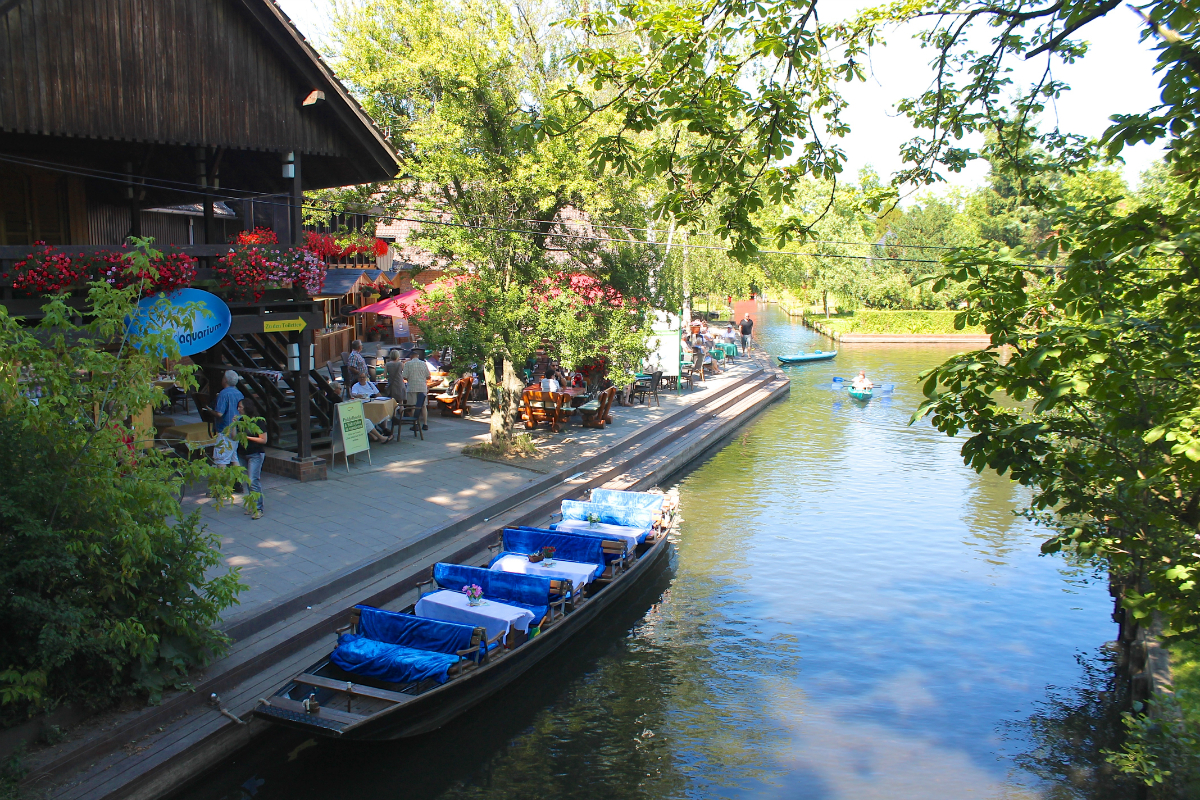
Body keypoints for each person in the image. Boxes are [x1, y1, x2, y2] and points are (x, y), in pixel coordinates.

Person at [238, 398, 268, 520]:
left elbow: (263, 440)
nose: (238, 409)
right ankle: (252, 505)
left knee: (253, 480)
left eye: (240, 406)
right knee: (248, 481)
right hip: (242, 453)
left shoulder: (258, 422)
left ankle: (259, 508)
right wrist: (234, 426)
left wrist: (248, 437)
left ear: (246, 408)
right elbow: (235, 437)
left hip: (255, 453)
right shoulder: (240, 421)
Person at [213, 370, 243, 470]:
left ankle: (222, 483)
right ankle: (237, 481)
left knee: (221, 459)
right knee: (234, 457)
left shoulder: (223, 393)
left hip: (224, 430)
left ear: (225, 380)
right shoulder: (239, 393)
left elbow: (219, 413)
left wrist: (209, 410)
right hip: (237, 428)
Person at [402, 348, 432, 431]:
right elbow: (428, 376)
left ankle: (415, 424)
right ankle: (425, 424)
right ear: (418, 356)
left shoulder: (407, 364)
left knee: (413, 406)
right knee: (423, 406)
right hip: (422, 386)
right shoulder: (423, 364)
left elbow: (404, 376)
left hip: (412, 387)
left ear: (411, 356)